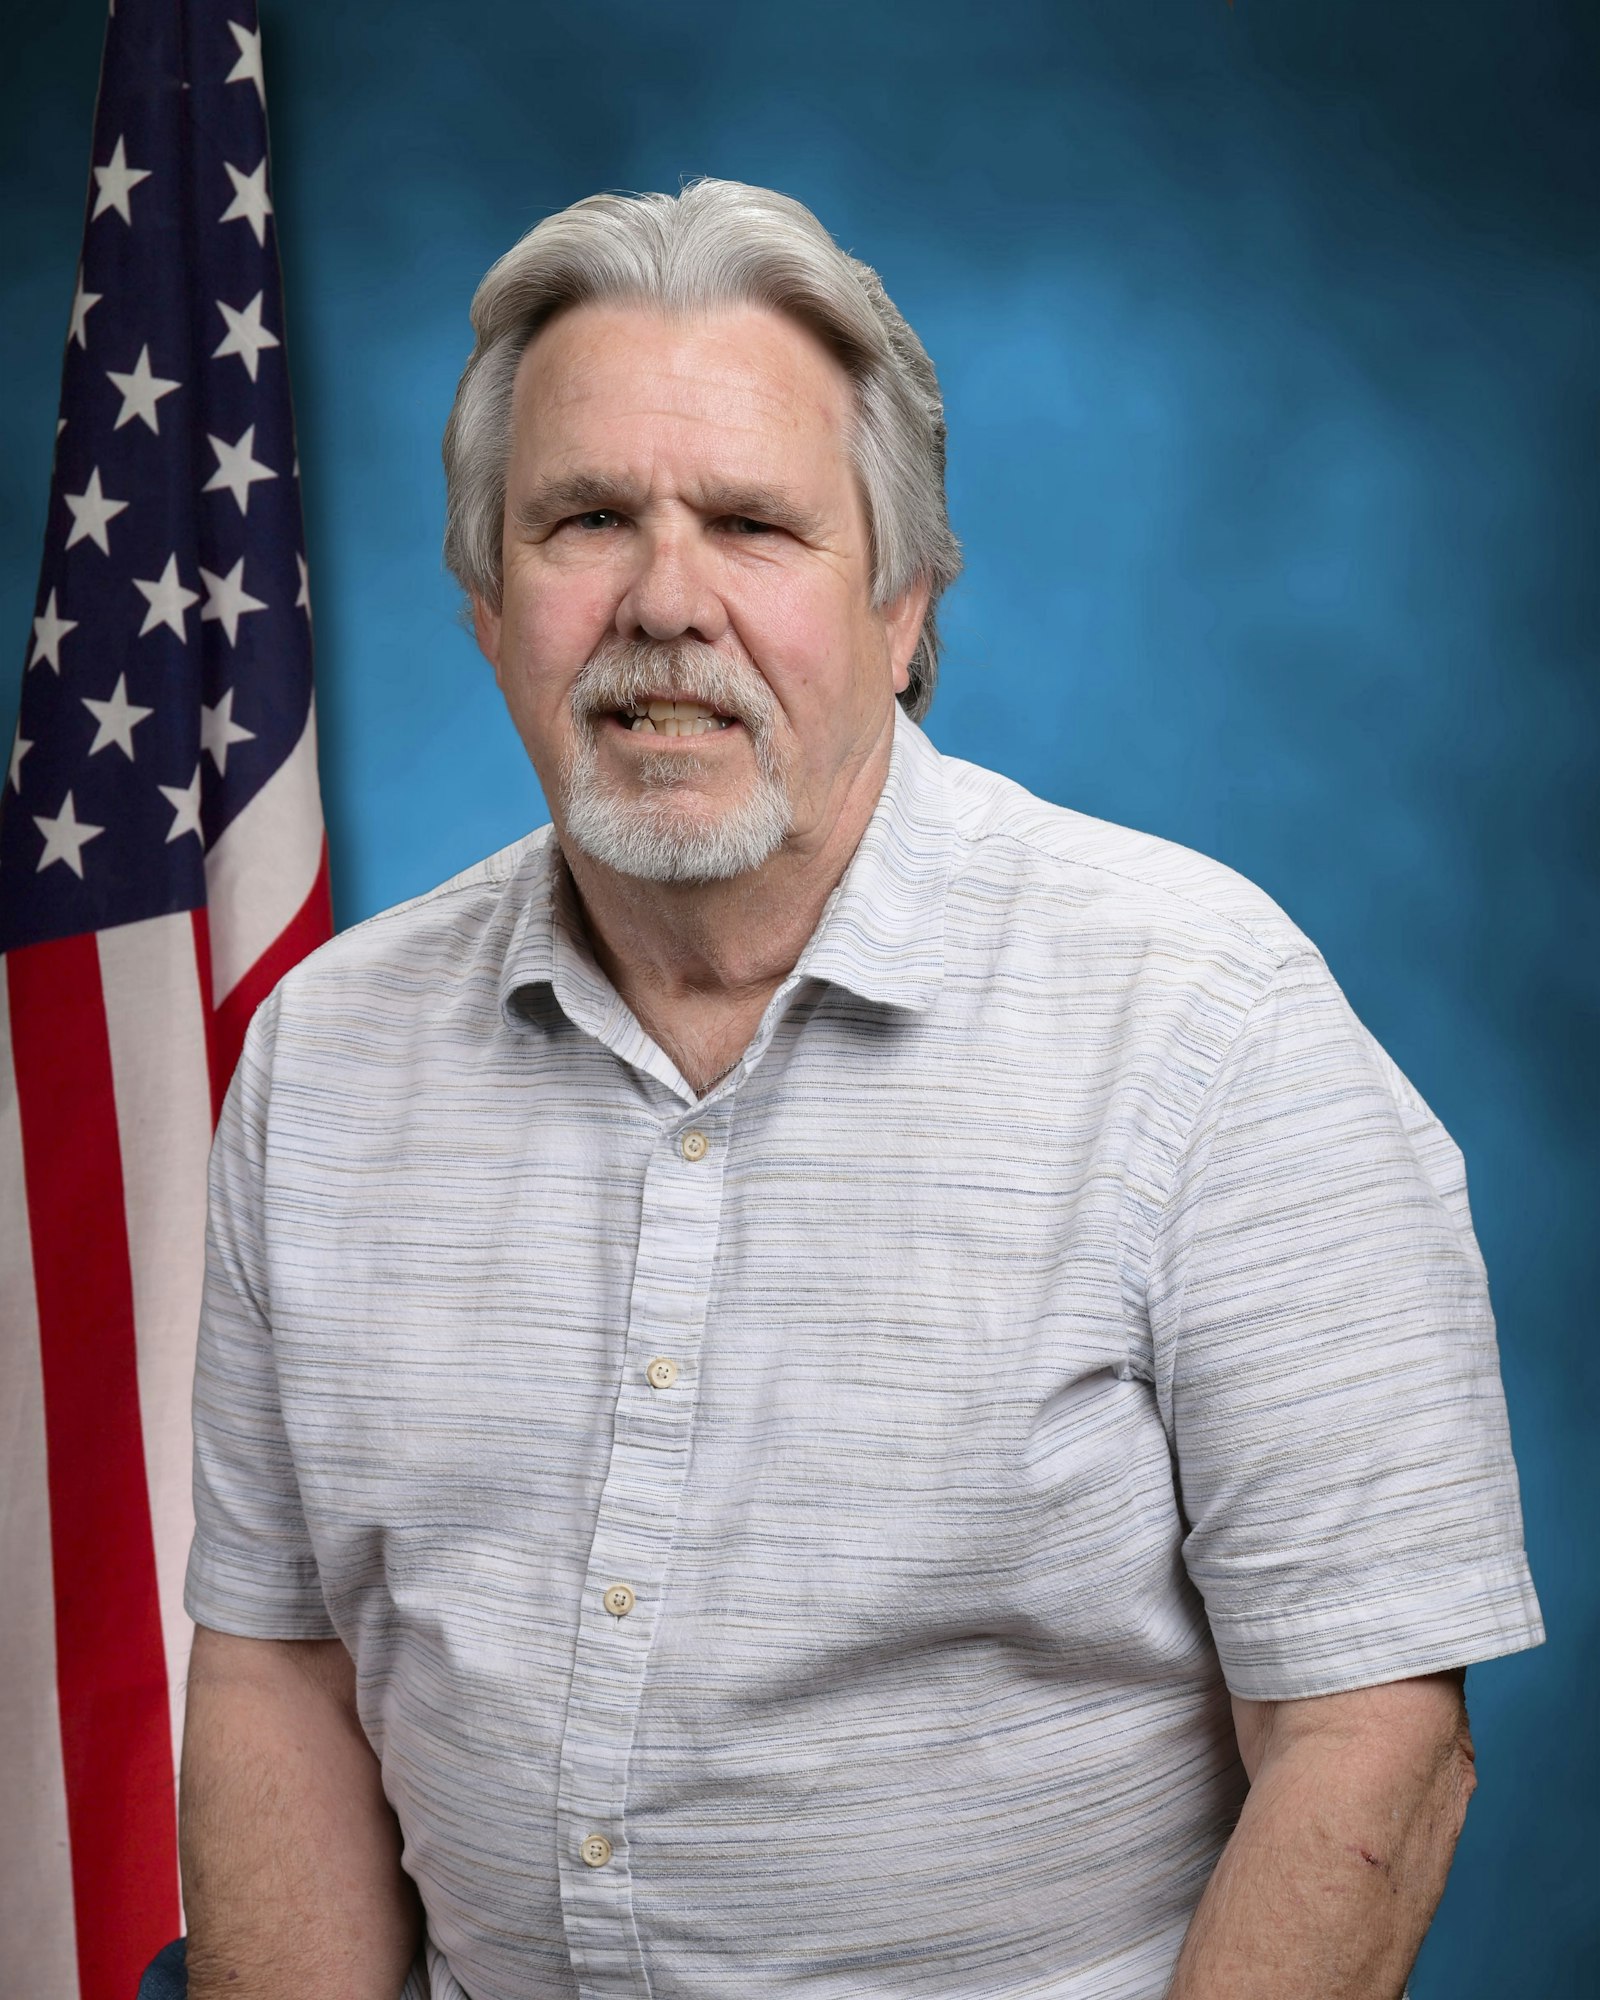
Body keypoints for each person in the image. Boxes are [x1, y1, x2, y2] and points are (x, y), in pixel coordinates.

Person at [177, 178, 1543, 2000]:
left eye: (752, 524)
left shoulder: (1210, 1025)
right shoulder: (323, 1059)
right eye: (587, 519)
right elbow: (282, 1671)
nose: (667, 603)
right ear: (487, 600)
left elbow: (1375, 1735)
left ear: (906, 605)